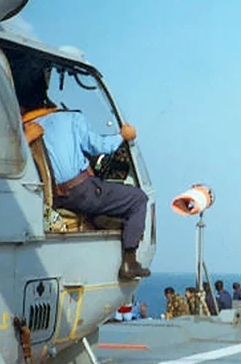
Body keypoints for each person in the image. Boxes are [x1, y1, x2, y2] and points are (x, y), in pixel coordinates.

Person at [11, 54, 150, 280]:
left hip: (53, 198)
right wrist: (122, 135)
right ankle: (129, 261)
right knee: (138, 199)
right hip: (82, 192)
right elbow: (99, 147)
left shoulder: (23, 131)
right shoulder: (71, 119)